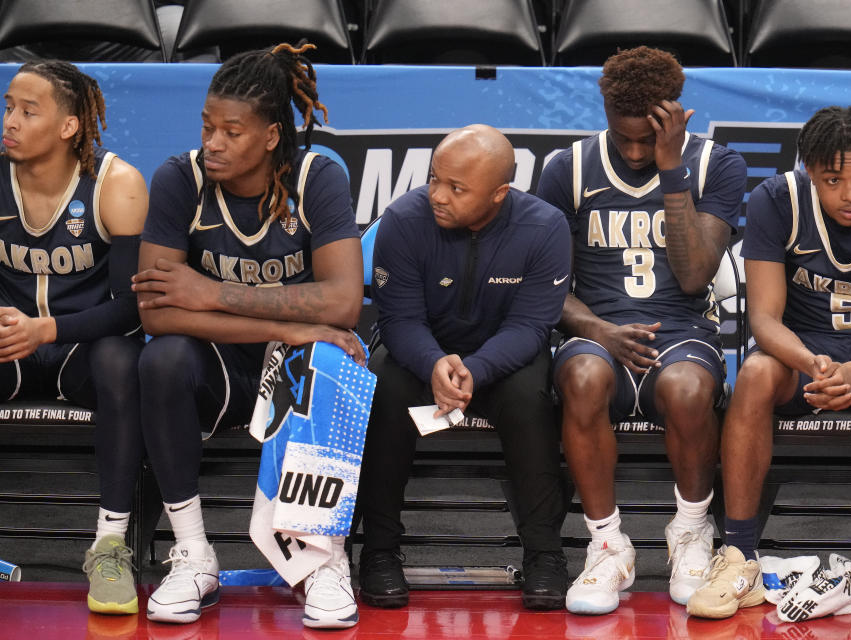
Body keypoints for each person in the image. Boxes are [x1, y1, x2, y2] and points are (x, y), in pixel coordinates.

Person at [688, 105, 851, 620]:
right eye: (834, 180)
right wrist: (817, 365)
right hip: (803, 356)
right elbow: (764, 320)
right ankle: (739, 555)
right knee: (756, 372)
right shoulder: (776, 200)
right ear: (809, 170)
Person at [130, 43, 364, 628]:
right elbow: (157, 314)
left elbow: (341, 302)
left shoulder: (318, 177)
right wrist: (290, 322)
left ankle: (322, 560)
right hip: (218, 367)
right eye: (208, 126)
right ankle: (193, 554)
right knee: (161, 360)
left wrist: (211, 292)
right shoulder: (179, 178)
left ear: (269, 136)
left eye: (231, 131)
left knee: (332, 356)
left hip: (292, 369)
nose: (213, 142)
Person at [535, 46, 747, 613]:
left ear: (673, 114)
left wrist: (670, 164)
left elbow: (695, 272)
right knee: (580, 377)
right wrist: (597, 329)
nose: (634, 153)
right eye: (623, 137)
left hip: (682, 328)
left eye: (645, 138)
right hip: (595, 329)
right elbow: (542, 284)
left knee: (687, 387)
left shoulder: (715, 166)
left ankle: (691, 530)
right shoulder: (569, 169)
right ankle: (607, 544)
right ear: (604, 111)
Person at [356, 124, 571, 611]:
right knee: (385, 387)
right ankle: (379, 551)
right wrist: (435, 362)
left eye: (456, 188)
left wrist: (475, 368)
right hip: (418, 353)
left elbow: (532, 326)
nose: (437, 195)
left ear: (499, 193)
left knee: (530, 396)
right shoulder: (404, 219)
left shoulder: (545, 226)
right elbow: (398, 319)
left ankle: (544, 554)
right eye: (434, 179)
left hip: (504, 356)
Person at [0, 61, 147, 614]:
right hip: (12, 344)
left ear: (68, 127)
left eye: (27, 111)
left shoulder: (117, 184)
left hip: (80, 349)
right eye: (8, 106)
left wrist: (49, 329)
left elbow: (133, 311)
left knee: (120, 361)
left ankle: (110, 544)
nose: (10, 120)